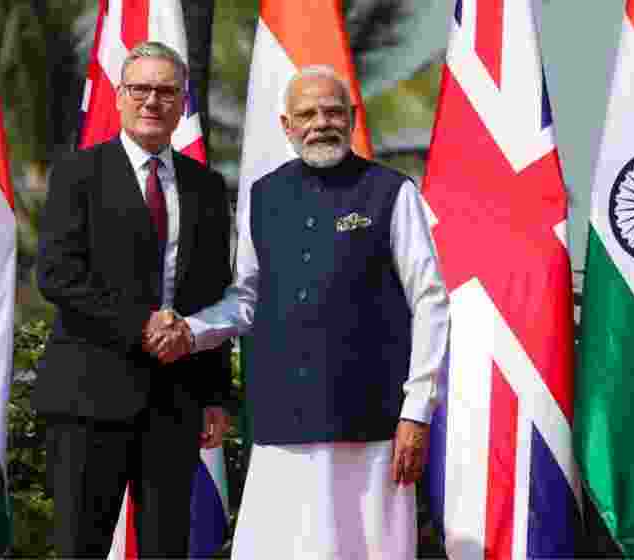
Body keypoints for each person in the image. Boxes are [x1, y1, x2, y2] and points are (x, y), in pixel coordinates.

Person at [146, 65, 450, 558]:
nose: (320, 122)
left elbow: (431, 302)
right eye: (307, 113)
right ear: (286, 126)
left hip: (370, 428)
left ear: (351, 119)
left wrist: (417, 411)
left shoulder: (392, 192)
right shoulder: (261, 197)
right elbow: (245, 300)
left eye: (333, 111)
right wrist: (191, 331)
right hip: (280, 424)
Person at [34, 41, 234, 558]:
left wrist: (214, 392)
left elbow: (213, 291)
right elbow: (57, 275)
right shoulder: (78, 174)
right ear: (120, 97)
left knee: (168, 548)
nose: (152, 101)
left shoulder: (207, 187)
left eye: (165, 91)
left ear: (181, 101)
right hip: (88, 397)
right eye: (140, 89)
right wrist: (141, 325)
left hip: (175, 400)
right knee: (81, 547)